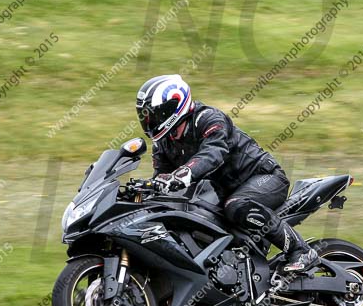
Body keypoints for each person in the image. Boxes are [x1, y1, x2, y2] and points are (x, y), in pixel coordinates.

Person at [135, 74, 318, 273]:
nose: (149, 121)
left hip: (264, 177)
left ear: (173, 107)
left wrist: (183, 173)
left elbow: (213, 153)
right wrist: (145, 191)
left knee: (237, 206)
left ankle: (301, 250)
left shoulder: (208, 118)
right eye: (145, 116)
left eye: (154, 114)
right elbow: (161, 177)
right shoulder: (163, 143)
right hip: (224, 192)